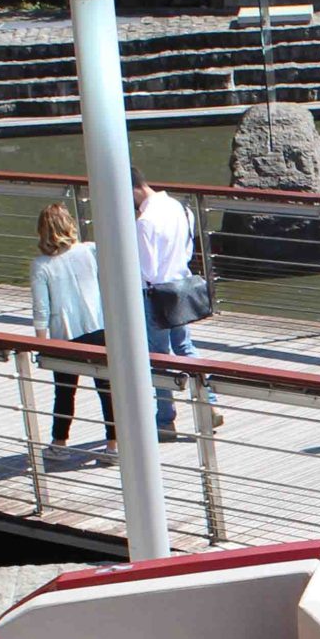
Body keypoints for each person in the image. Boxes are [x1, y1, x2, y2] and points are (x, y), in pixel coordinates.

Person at [28, 203, 115, 454]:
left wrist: (41, 343)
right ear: (69, 225)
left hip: (64, 336)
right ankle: (113, 444)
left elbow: (41, 309)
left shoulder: (41, 265)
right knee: (107, 389)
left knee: (64, 391)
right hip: (99, 328)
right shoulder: (90, 250)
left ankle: (59, 443)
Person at [131, 167, 199, 440]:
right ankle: (209, 402)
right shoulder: (180, 208)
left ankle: (165, 419)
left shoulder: (144, 222)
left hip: (155, 294)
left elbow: (147, 270)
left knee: (159, 356)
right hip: (180, 287)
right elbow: (188, 250)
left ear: (132, 190)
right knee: (185, 347)